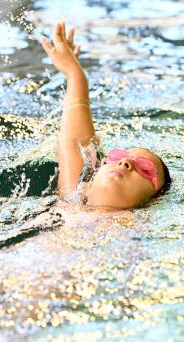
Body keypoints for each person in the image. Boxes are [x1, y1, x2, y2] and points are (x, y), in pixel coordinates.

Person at [40, 22, 171, 210]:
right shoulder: (72, 200)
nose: (125, 162)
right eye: (117, 157)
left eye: (145, 169)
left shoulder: (136, 231)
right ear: (88, 185)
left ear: (154, 201)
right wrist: (75, 75)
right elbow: (76, 142)